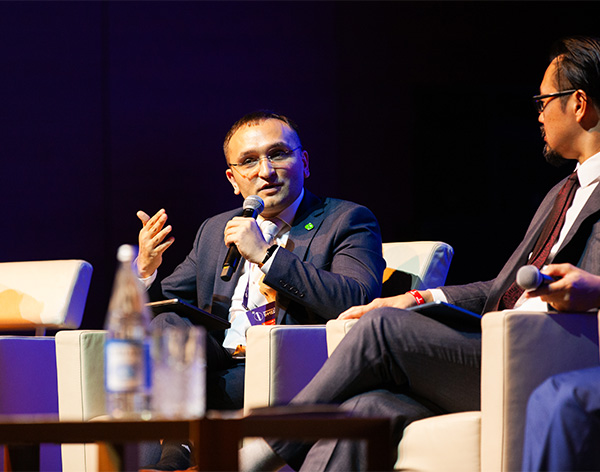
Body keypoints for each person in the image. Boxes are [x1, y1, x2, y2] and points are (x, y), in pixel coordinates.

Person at [241, 36, 600, 471]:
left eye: (543, 101)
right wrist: (418, 297)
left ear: (578, 103)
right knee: (365, 410)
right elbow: (502, 289)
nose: (538, 114)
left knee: (380, 328)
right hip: (497, 344)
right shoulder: (563, 192)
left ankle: (255, 453)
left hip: (552, 358)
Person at [137, 110, 386, 469]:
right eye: (249, 161)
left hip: (285, 366)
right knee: (167, 328)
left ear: (304, 163)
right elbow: (166, 306)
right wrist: (144, 271)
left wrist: (267, 256)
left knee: (162, 393)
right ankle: (177, 446)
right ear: (233, 179)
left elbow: (357, 299)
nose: (265, 171)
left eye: (278, 154)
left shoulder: (346, 220)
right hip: (218, 358)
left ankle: (176, 449)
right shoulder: (216, 229)